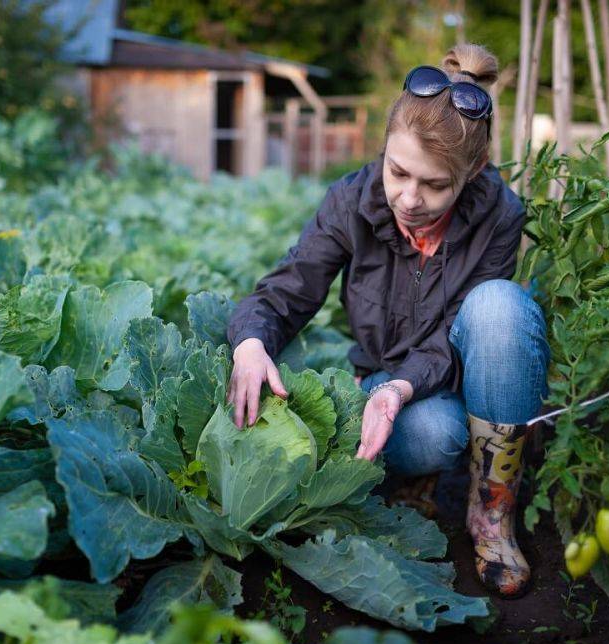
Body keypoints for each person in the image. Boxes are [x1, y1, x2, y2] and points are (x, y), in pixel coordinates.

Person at [225, 44, 549, 598]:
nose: (409, 197)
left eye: (435, 185)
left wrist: (401, 388)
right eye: (397, 171)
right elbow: (288, 289)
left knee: (501, 305)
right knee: (436, 434)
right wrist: (251, 344)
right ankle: (414, 476)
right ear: (384, 152)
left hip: (455, 380)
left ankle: (491, 513)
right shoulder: (352, 200)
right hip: (383, 385)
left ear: (472, 173)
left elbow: (453, 340)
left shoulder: (499, 214)